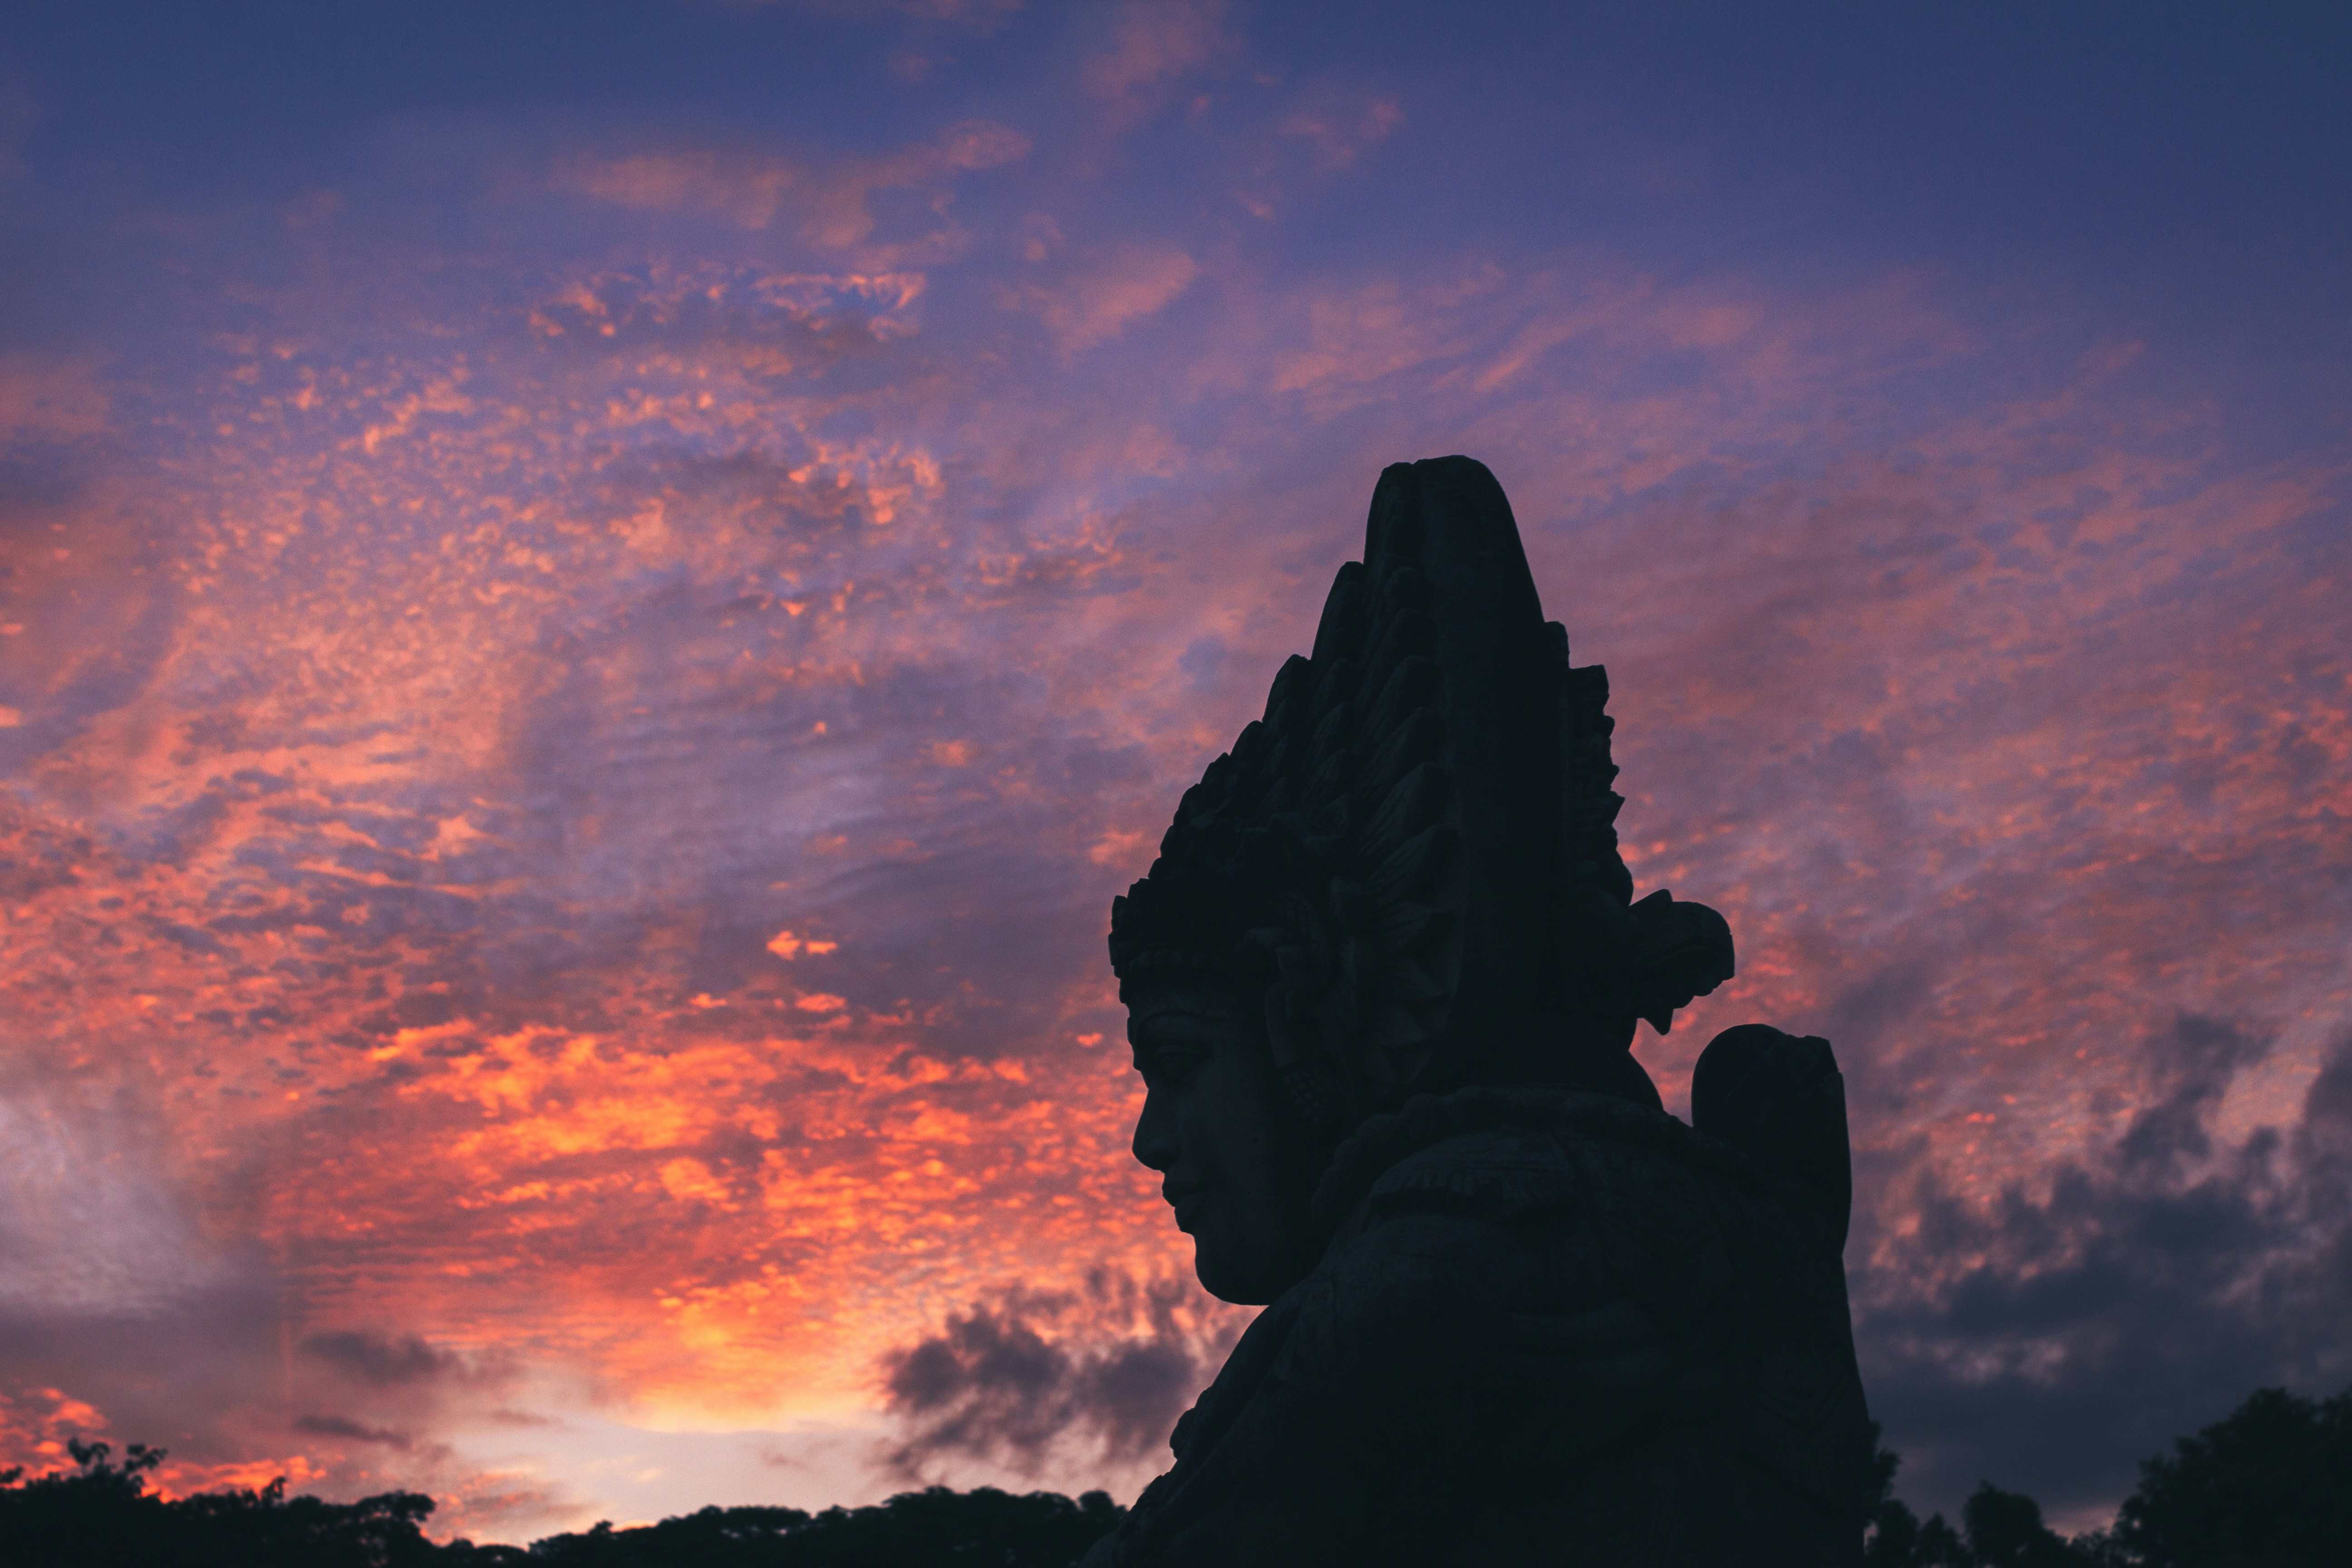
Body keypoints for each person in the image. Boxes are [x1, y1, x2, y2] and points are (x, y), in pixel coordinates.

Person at [1080, 458, 1871, 1568]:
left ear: (1312, 1005)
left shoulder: (1432, 1271)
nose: (1153, 1138)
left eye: (1176, 1062)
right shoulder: (1658, 1212)